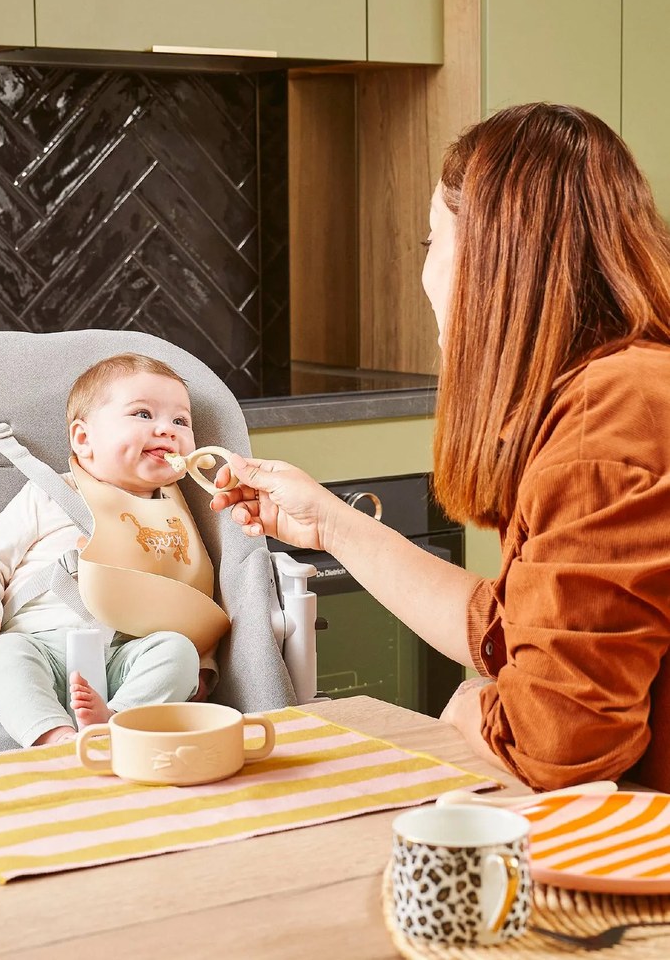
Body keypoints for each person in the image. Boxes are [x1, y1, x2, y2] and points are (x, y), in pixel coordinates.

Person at [212, 102, 670, 793]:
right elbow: (514, 627)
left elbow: (559, 745)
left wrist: (469, 709)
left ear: (490, 257)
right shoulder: (628, 385)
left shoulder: (603, 421)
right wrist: (328, 523)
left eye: (432, 242)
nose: (425, 272)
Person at [0, 353, 220, 747]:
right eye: (143, 414)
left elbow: (195, 601)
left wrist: (203, 663)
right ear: (83, 439)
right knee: (0, 657)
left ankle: (115, 725)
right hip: (40, 646)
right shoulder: (51, 494)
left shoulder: (176, 516)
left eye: (181, 421)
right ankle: (54, 737)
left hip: (126, 656)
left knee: (178, 651)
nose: (167, 429)